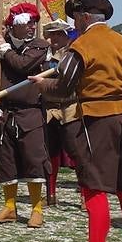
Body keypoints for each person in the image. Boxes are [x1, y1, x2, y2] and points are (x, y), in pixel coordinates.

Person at [30, 0, 122, 242]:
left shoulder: (80, 47)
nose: (75, 24)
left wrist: (40, 85)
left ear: (84, 17)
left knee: (94, 187)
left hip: (96, 121)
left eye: (75, 19)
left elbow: (63, 89)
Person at [0, 3, 51, 228]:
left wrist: (6, 51)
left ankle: (37, 209)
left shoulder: (39, 46)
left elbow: (24, 66)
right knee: (6, 159)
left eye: (34, 23)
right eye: (28, 23)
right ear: (16, 25)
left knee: (34, 159)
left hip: (30, 111)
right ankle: (10, 207)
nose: (33, 27)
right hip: (6, 110)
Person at [40, 18, 79, 207]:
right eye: (52, 34)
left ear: (66, 35)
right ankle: (51, 193)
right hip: (49, 109)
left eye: (59, 34)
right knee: (50, 153)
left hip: (70, 108)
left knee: (77, 153)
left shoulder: (73, 54)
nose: (55, 38)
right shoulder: (43, 56)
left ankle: (85, 195)